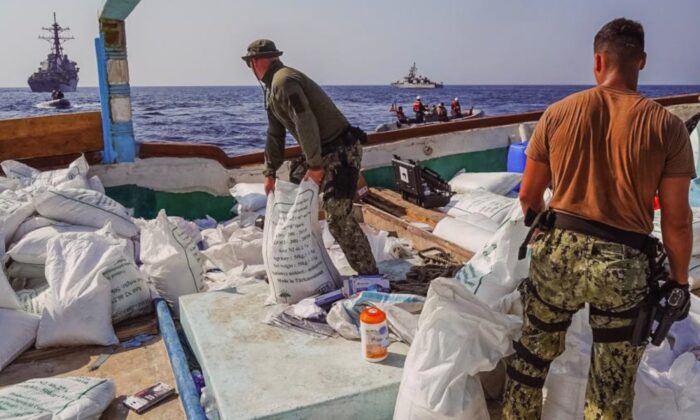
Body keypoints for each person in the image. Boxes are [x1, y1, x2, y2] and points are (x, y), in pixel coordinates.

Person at [503, 18, 694, 419]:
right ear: (641, 61)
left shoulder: (557, 114)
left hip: (559, 255)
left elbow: (528, 195)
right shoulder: (669, 127)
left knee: (530, 361)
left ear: (597, 61)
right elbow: (677, 220)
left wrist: (543, 241)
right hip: (623, 263)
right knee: (610, 387)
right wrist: (678, 281)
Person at [241, 39, 378, 275]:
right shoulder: (271, 90)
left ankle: (370, 274)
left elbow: (306, 123)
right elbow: (275, 134)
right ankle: (294, 270)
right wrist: (270, 172)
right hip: (319, 151)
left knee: (337, 218)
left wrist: (315, 166)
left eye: (249, 64)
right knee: (290, 200)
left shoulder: (284, 82)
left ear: (255, 62)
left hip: (341, 151)